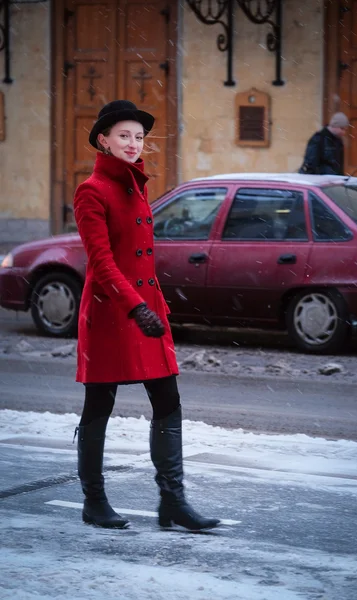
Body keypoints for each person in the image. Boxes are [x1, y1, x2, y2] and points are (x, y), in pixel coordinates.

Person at [73, 100, 220, 532]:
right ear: (103, 140)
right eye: (124, 136)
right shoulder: (92, 190)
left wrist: (151, 305)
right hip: (111, 311)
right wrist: (134, 306)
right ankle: (94, 501)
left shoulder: (136, 186)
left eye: (139, 137)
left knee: (168, 400)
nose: (134, 144)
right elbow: (101, 262)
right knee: (99, 403)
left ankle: (173, 501)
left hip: (146, 311)